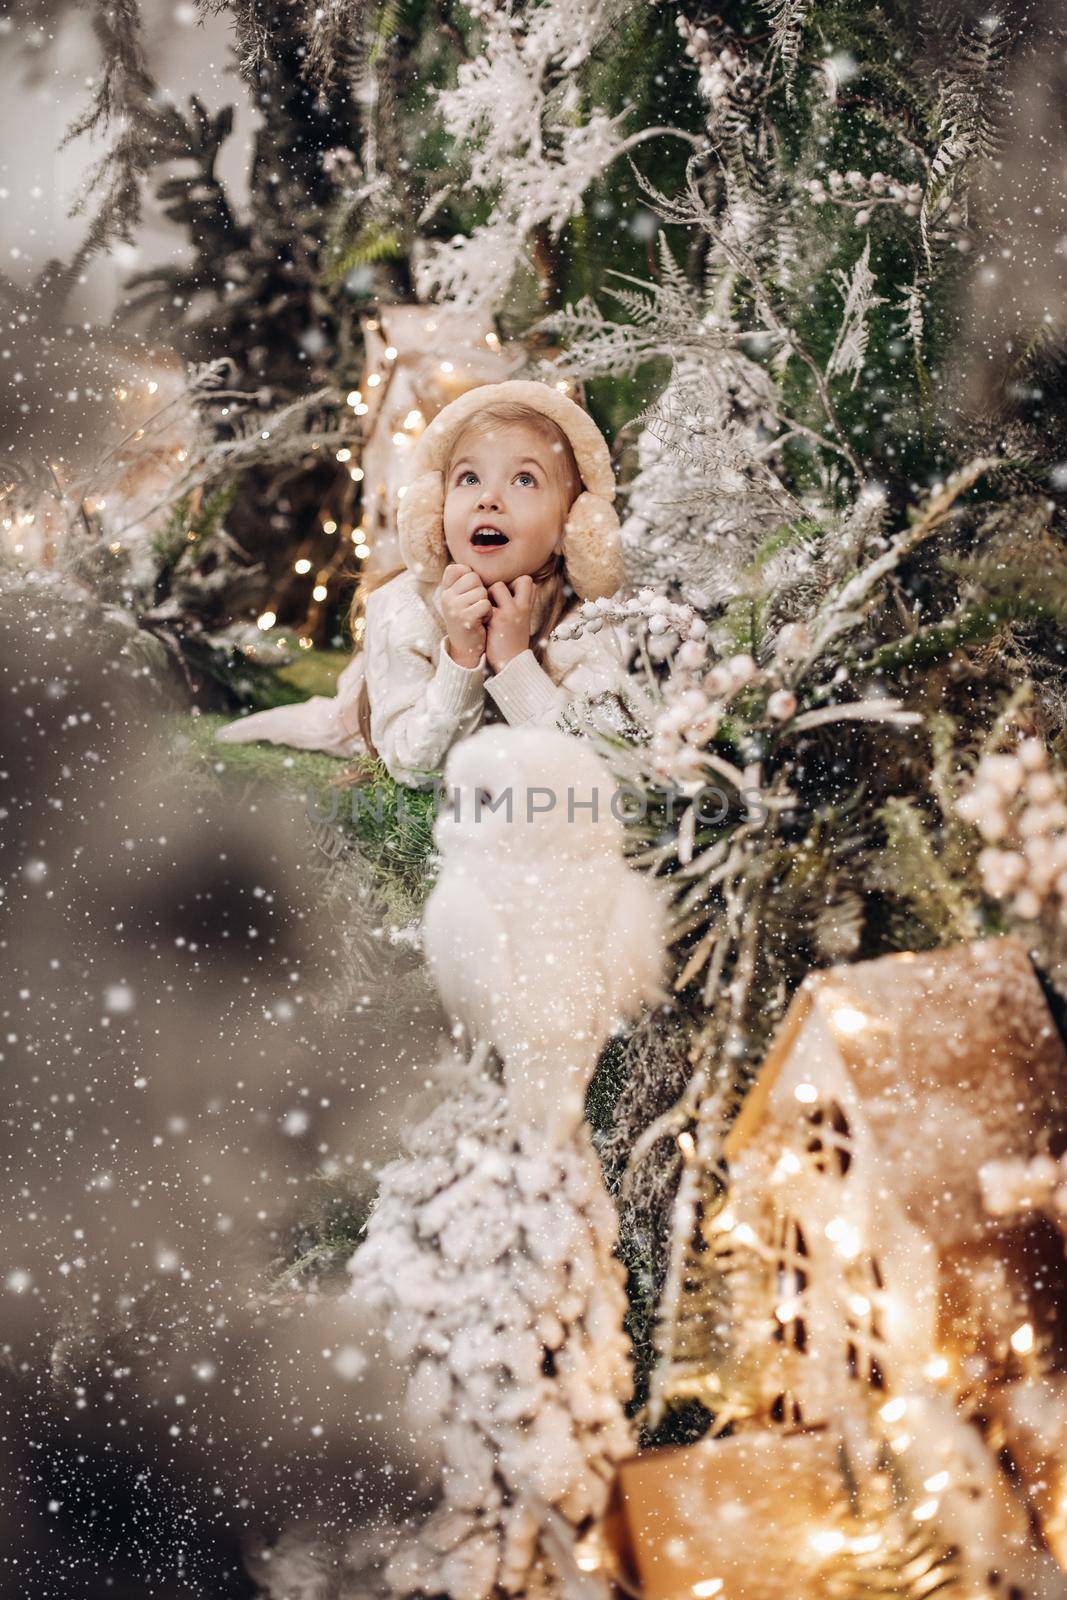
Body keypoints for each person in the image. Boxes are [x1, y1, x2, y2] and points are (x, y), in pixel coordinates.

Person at [215, 379, 633, 789]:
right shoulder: (404, 607)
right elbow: (413, 765)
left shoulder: (586, 624)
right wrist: (462, 658)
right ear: (435, 508)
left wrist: (513, 662)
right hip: (358, 722)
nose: (488, 499)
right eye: (469, 478)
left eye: (524, 479)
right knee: (325, 725)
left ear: (572, 528)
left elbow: (601, 763)